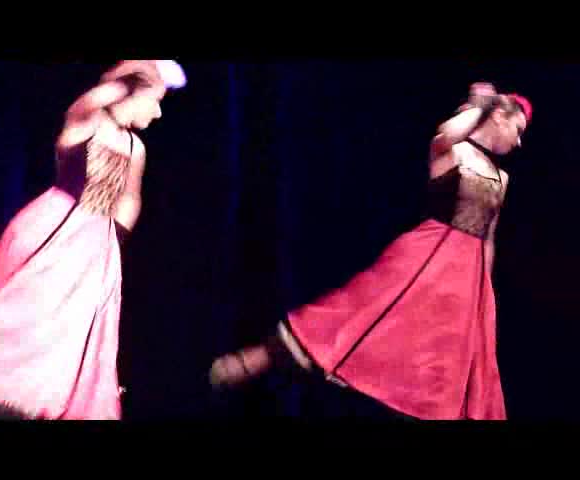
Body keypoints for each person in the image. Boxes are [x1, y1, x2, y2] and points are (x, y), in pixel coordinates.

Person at [210, 82, 532, 420]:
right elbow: (445, 134)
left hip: (466, 282)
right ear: (499, 116)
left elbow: (488, 239)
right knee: (354, 317)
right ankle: (254, 360)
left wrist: (484, 296)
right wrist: (480, 106)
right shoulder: (452, 151)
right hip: (427, 260)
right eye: (518, 129)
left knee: (445, 366)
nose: (519, 141)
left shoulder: (502, 178)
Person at [0, 60, 186, 420]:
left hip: (95, 247)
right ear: (131, 93)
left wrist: (114, 240)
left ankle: (42, 394)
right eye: (155, 100)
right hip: (56, 228)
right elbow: (86, 104)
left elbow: (130, 197)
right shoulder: (88, 122)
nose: (158, 112)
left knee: (70, 325)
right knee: (27, 306)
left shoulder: (136, 148)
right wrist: (129, 80)